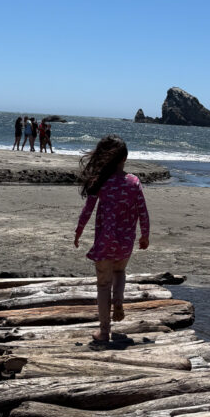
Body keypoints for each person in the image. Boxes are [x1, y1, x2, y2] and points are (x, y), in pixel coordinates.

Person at [73, 135, 150, 343]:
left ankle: (104, 331)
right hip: (125, 243)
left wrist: (78, 232)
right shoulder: (133, 182)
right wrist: (145, 235)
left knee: (103, 285)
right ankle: (118, 299)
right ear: (125, 158)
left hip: (104, 241)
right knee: (120, 272)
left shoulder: (101, 181)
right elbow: (143, 211)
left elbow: (87, 210)